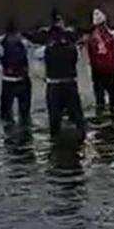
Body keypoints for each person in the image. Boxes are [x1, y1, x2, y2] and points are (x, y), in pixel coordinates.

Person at [37, 10, 86, 141]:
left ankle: (56, 144)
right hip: (69, 84)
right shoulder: (71, 46)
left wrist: (43, 76)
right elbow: (77, 58)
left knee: (55, 119)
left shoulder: (46, 48)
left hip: (54, 85)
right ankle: (79, 140)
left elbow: (38, 60)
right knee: (77, 118)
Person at [0, 19, 36, 126]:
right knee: (25, 113)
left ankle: (9, 135)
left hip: (8, 80)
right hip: (23, 79)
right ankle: (25, 135)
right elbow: (33, 53)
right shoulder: (24, 41)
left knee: (6, 115)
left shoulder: (0, 41)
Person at [84, 8, 114, 114]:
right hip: (98, 70)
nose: (103, 26)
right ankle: (103, 114)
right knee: (101, 97)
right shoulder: (91, 38)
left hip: (109, 69)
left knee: (110, 95)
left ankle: (110, 114)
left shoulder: (110, 34)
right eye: (101, 24)